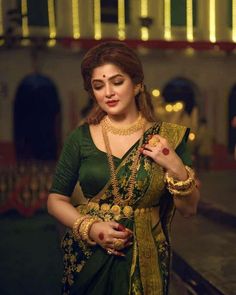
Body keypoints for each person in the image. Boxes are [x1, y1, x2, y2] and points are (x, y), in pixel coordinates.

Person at [47, 41, 200, 295]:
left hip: (146, 258)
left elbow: (189, 208)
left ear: (137, 83)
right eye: (99, 86)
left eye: (117, 82)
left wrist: (174, 165)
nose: (108, 92)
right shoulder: (81, 138)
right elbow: (55, 200)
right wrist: (92, 228)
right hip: (88, 257)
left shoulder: (168, 138)